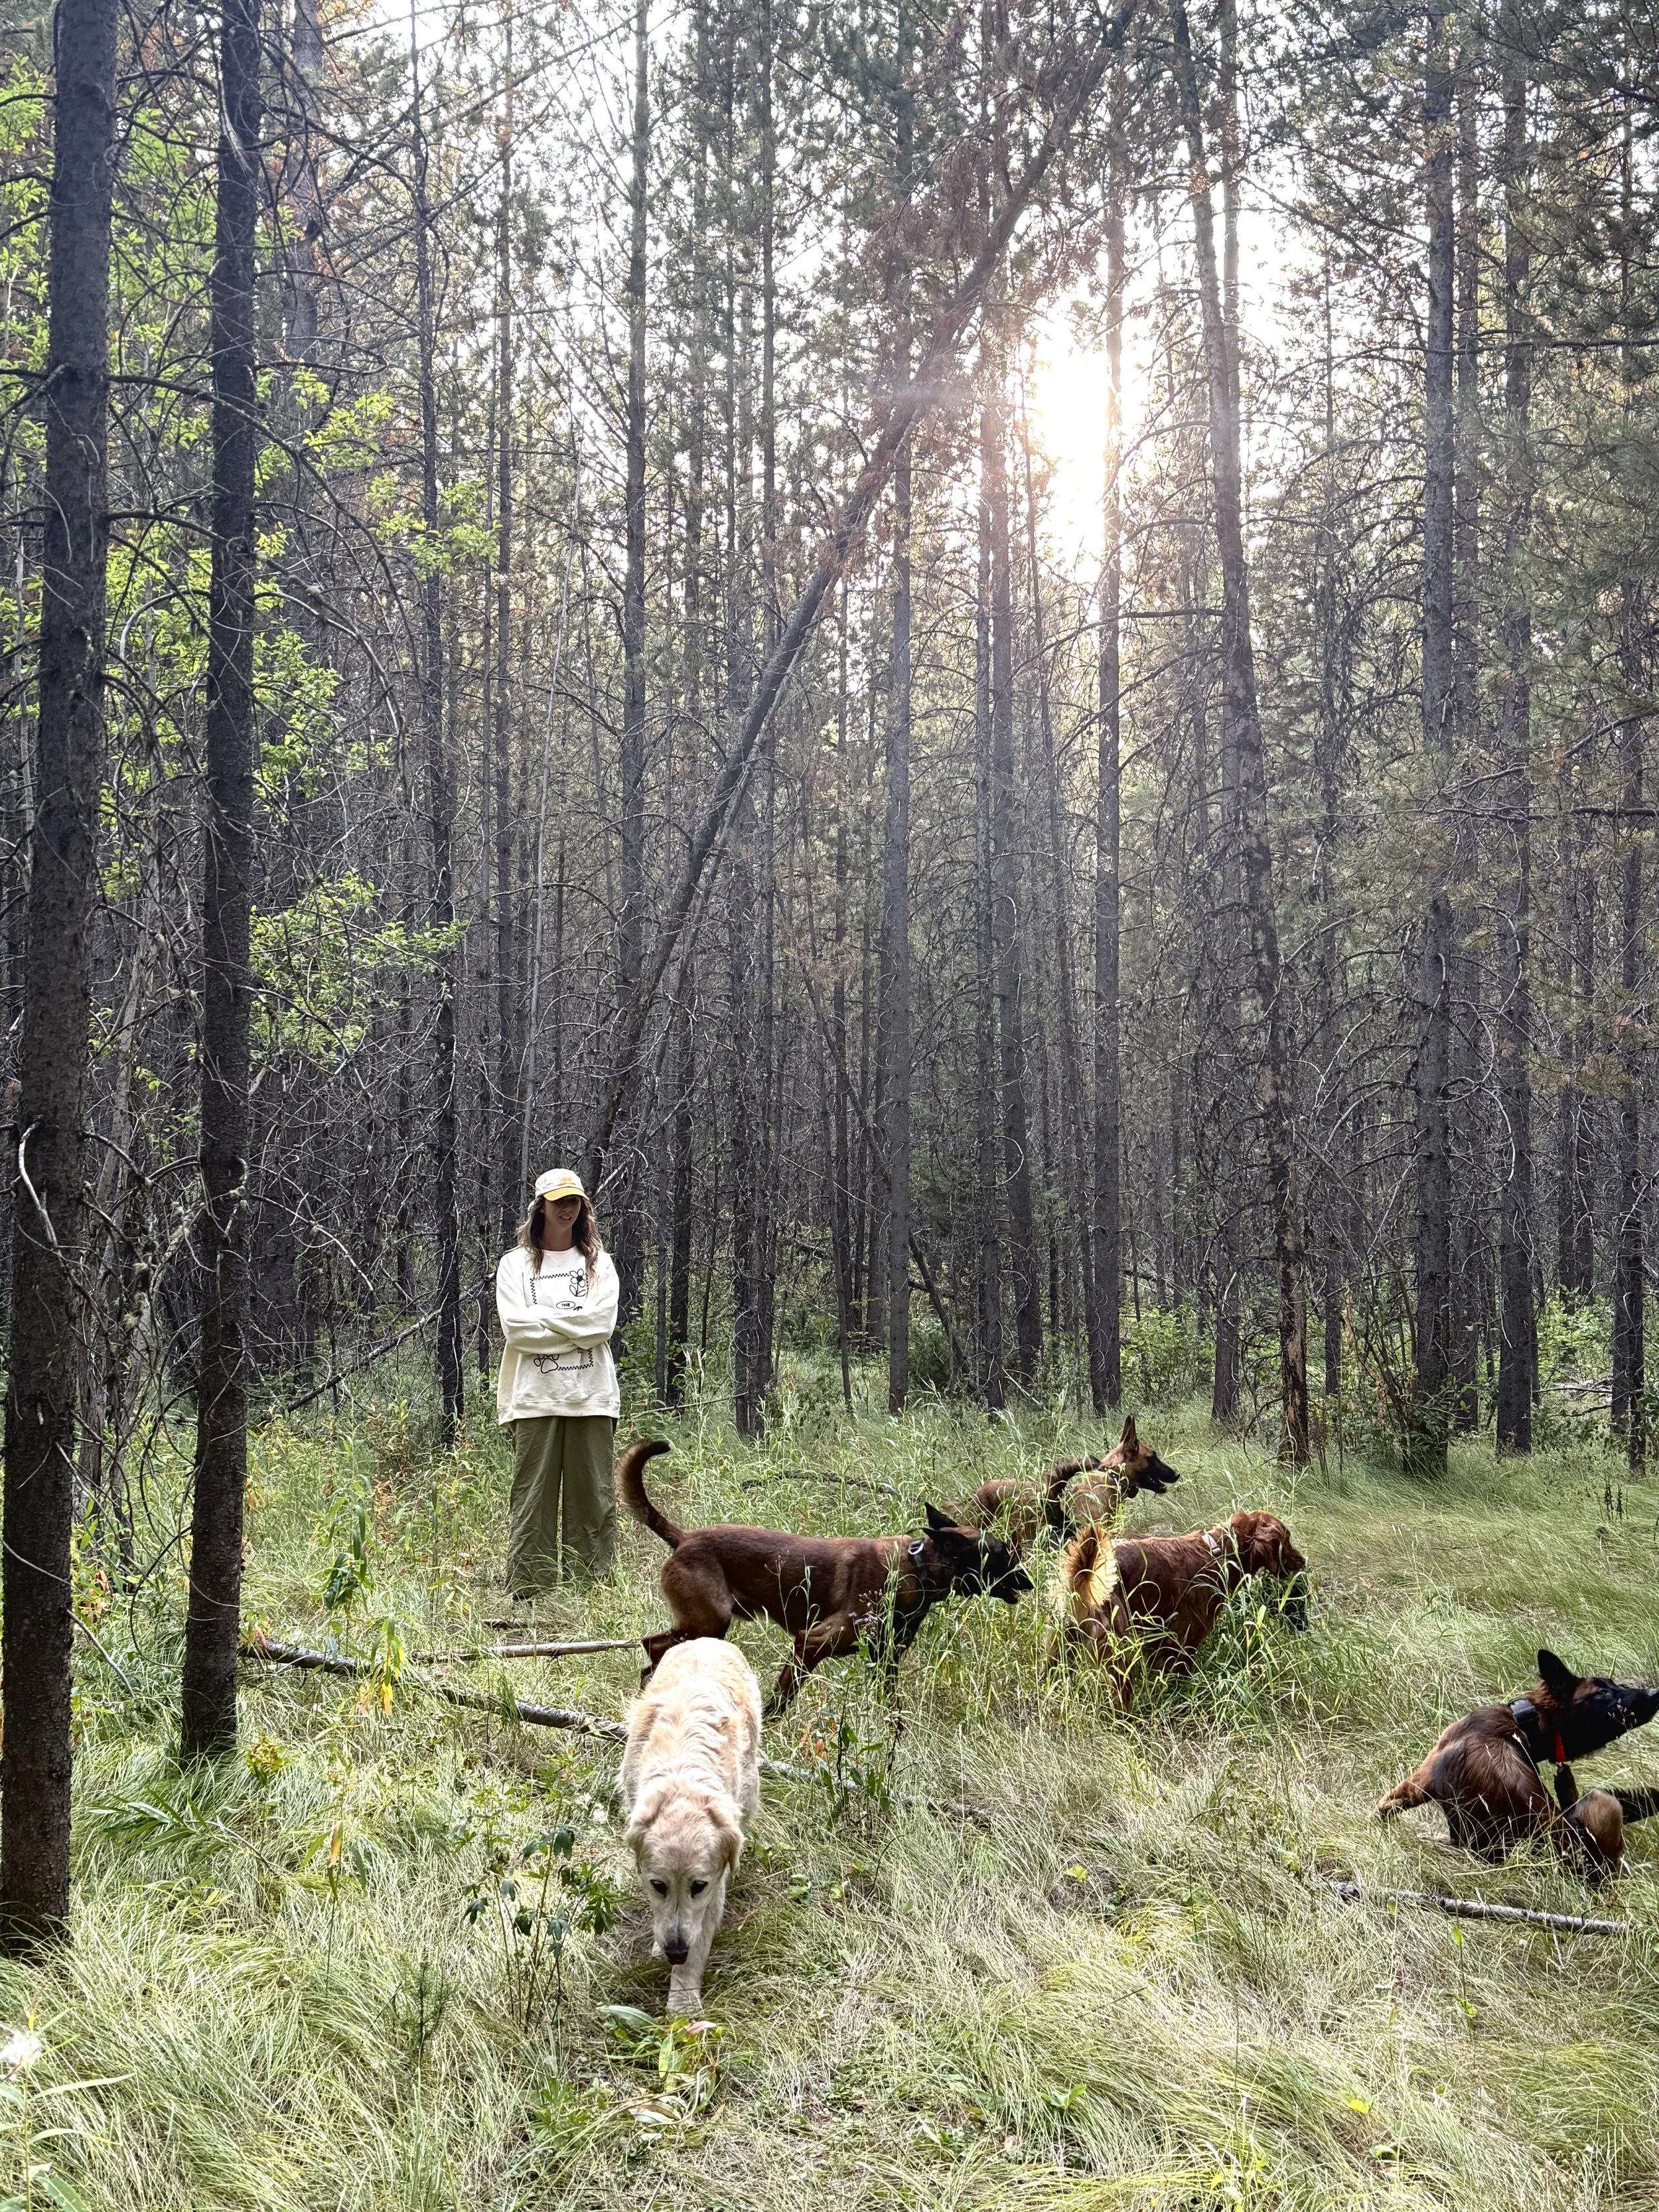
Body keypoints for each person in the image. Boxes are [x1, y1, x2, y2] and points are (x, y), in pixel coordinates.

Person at [495, 1167, 620, 1595]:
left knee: (594, 1494)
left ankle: (592, 1586)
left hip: (592, 1395)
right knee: (533, 1497)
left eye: (574, 1201)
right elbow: (517, 1331)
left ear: (583, 1207)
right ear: (541, 1207)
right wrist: (573, 1326)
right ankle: (531, 1587)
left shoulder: (599, 1263)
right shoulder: (514, 1266)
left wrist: (544, 1319)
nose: (567, 1208)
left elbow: (602, 1325)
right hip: (533, 1396)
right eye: (558, 1201)